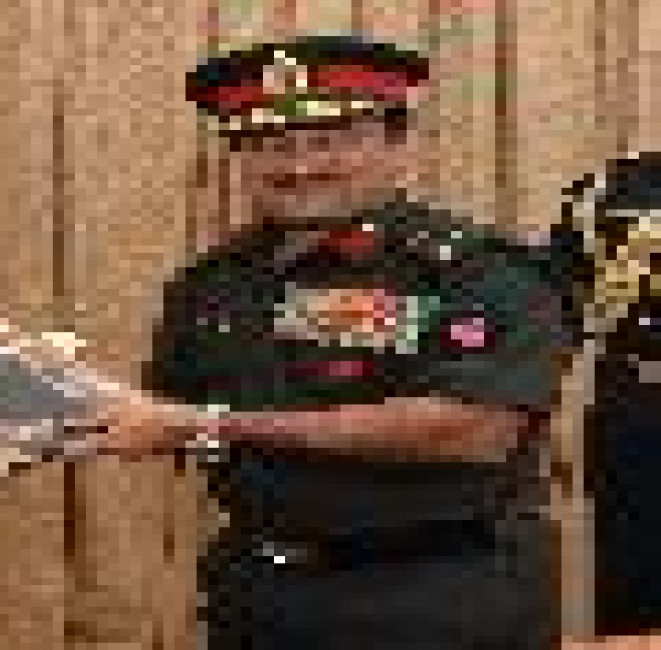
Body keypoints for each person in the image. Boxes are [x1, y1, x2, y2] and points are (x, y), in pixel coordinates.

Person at [99, 35, 568, 648]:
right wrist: (34, 384)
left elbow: (471, 431)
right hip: (258, 596)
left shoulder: (475, 273)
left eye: (331, 140)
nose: (300, 166)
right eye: (271, 145)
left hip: (439, 599)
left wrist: (216, 424)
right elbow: (164, 419)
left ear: (397, 143)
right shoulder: (212, 283)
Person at [562, 153, 661, 640]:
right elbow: (555, 309)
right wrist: (548, 412)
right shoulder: (606, 190)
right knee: (636, 580)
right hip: (637, 408)